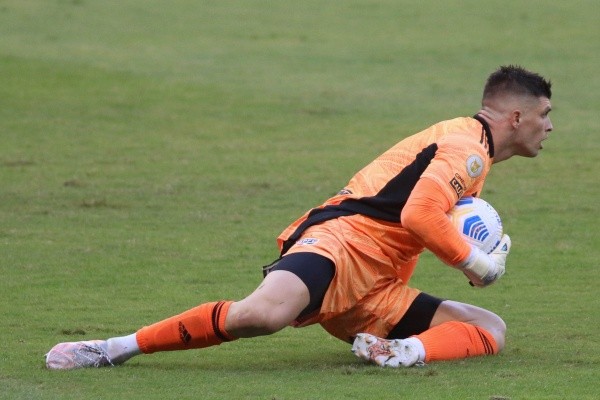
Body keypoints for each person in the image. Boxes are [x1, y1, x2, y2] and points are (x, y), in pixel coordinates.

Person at [45, 65, 553, 369]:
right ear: (514, 117)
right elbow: (419, 214)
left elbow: (423, 216)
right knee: (260, 317)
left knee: (489, 328)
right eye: (544, 114)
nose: (548, 126)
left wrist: (467, 256)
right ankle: (111, 349)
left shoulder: (470, 147)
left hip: (377, 282)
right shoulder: (467, 148)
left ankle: (400, 354)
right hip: (342, 243)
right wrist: (477, 264)